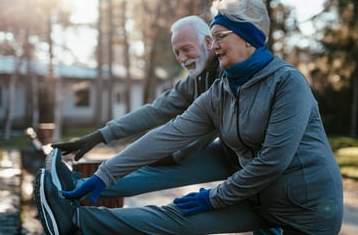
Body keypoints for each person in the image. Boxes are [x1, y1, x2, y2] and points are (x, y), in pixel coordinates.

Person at [35, 0, 343, 234]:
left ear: (249, 38)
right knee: (177, 215)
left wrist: (213, 197)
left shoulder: (287, 83)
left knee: (193, 204)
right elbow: (168, 132)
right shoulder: (220, 91)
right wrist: (103, 175)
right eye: (212, 37)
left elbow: (272, 161)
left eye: (221, 36)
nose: (215, 45)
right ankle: (75, 218)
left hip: (307, 210)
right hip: (261, 197)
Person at [47, 14, 281, 234]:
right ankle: (74, 188)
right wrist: (101, 135)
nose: (182, 58)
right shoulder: (194, 80)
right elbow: (155, 111)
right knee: (156, 169)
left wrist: (175, 155)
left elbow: (199, 130)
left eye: (186, 49)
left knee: (266, 221)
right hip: (230, 153)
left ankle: (77, 203)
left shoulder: (229, 75)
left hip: (258, 164)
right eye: (177, 52)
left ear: (209, 42)